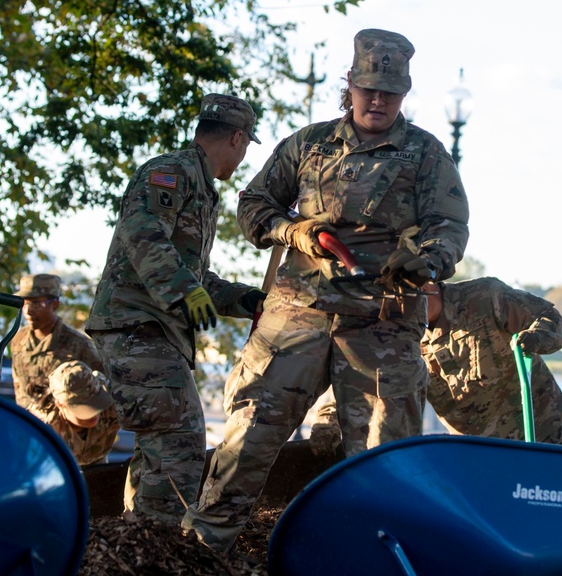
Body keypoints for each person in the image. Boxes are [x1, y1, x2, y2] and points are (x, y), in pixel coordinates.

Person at [182, 28, 470, 552]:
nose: (378, 100)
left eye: (390, 91)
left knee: (383, 462)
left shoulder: (426, 155)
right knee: (247, 441)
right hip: (296, 316)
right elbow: (254, 203)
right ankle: (200, 553)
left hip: (382, 325)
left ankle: (371, 560)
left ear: (404, 94)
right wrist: (293, 231)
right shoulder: (309, 144)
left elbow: (450, 226)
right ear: (351, 87)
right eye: (368, 89)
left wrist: (429, 260)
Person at [85, 93, 267, 522]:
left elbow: (195, 277)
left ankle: (136, 541)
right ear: (237, 139)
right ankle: (156, 544)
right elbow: (141, 231)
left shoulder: (200, 188)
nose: (241, 160)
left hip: (151, 330)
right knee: (180, 442)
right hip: (135, 326)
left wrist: (248, 300)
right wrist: (184, 290)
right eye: (244, 149)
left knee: (160, 445)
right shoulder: (172, 171)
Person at [309, 277, 562, 454]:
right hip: (479, 454)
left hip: (540, 437)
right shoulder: (400, 334)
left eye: (400, 300)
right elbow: (361, 377)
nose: (394, 311)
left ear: (427, 286)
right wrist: (328, 421)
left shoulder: (485, 297)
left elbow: (548, 316)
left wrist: (537, 338)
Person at [9, 273, 105, 410]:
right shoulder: (18, 339)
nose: (28, 311)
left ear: (54, 305)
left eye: (36, 304)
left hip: (61, 429)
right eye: (24, 304)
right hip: (25, 426)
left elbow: (102, 394)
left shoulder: (80, 345)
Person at [27, 360, 121, 467]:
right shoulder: (41, 426)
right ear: (60, 405)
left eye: (97, 401)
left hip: (98, 465)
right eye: (85, 407)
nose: (95, 413)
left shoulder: (114, 402)